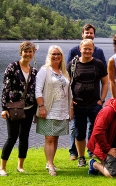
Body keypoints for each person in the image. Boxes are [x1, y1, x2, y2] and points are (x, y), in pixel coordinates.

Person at [67, 23, 108, 161]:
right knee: (79, 132)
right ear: (80, 49)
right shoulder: (73, 63)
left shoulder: (99, 62)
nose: (87, 51)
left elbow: (105, 82)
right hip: (78, 103)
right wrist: (70, 100)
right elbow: (67, 83)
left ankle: (92, 152)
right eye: (85, 49)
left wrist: (101, 100)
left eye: (90, 49)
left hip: (94, 103)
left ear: (93, 49)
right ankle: (80, 156)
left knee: (96, 129)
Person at [0, 42, 37, 176]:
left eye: (30, 51)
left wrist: (37, 111)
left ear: (33, 53)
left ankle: (20, 166)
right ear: (21, 52)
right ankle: (2, 167)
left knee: (24, 137)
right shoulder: (12, 67)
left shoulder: (34, 71)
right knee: (12, 137)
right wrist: (4, 108)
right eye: (25, 51)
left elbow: (35, 91)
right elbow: (6, 89)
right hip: (13, 108)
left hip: (29, 108)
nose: (28, 54)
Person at [35, 45, 72, 176]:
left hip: (62, 109)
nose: (56, 56)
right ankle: (50, 165)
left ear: (61, 56)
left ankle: (50, 162)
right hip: (49, 108)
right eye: (53, 54)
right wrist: (41, 107)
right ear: (48, 56)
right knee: (49, 137)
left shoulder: (63, 72)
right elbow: (37, 90)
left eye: (58, 54)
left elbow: (69, 91)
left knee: (55, 137)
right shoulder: (44, 70)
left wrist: (70, 108)